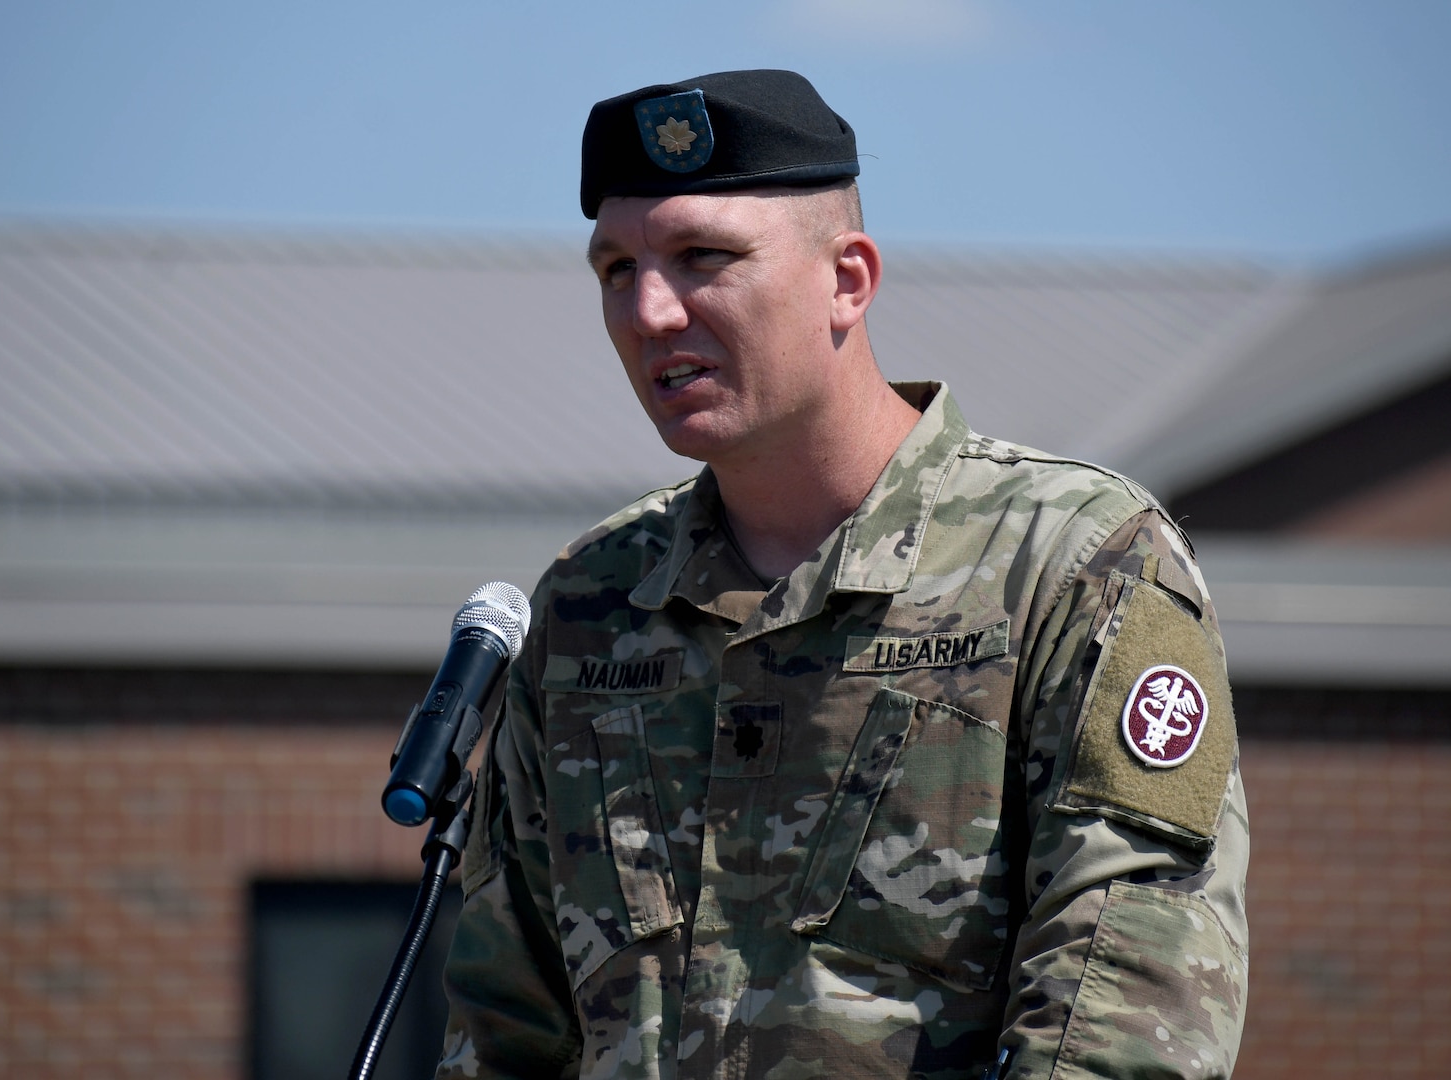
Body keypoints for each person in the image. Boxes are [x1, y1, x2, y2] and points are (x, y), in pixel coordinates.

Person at [437, 69, 1248, 1080]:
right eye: (615, 268)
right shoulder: (591, 607)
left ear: (848, 280)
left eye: (703, 258)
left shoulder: (1071, 562)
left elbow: (1125, 1014)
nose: (649, 310)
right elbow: (506, 1025)